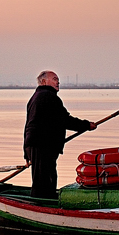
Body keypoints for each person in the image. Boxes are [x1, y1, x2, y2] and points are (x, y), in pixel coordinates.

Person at [23, 70, 96, 199]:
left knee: (43, 177)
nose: (58, 82)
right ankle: (41, 206)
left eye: (58, 79)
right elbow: (64, 120)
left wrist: (26, 151)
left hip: (36, 145)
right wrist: (86, 125)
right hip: (42, 145)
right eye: (55, 79)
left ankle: (44, 201)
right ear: (44, 81)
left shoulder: (36, 97)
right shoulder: (48, 96)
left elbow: (29, 125)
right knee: (44, 180)